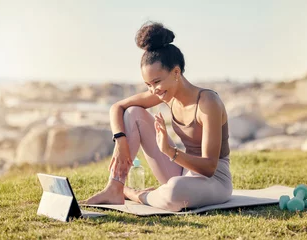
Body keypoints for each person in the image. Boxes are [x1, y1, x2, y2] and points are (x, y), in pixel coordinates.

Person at [82, 22, 232, 211]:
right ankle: (114, 188)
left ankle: (134, 194)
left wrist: (170, 151)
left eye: (157, 82)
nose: (153, 90)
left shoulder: (207, 102)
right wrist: (120, 142)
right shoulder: (166, 93)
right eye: (148, 85)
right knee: (133, 113)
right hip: (183, 172)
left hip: (214, 179)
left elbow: (210, 167)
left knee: (174, 192)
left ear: (176, 72)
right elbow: (117, 107)